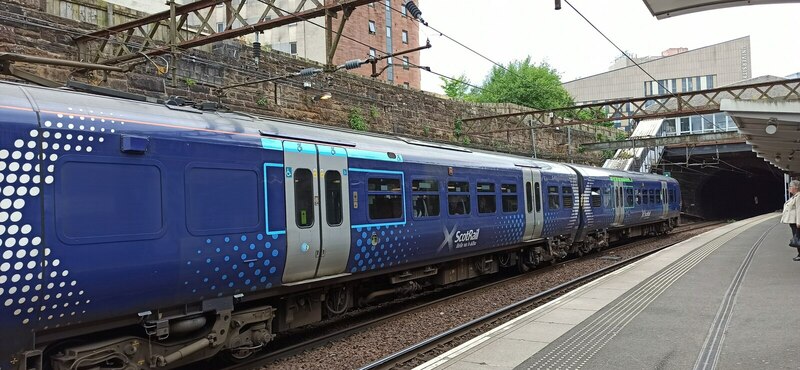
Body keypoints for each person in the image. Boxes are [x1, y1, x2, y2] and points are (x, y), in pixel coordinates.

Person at [781, 180, 800, 261]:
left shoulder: (799, 197)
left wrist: (798, 222)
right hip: (793, 222)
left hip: (796, 222)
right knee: (797, 238)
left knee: (798, 239)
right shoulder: (795, 196)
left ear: (795, 187)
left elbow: (799, 210)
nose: (789, 189)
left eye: (790, 187)